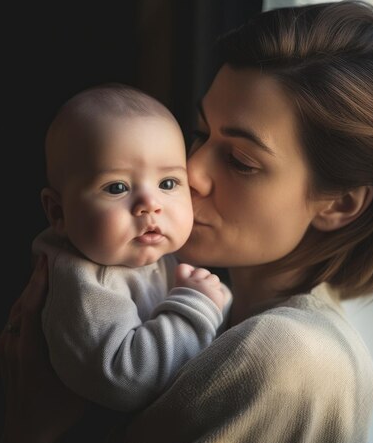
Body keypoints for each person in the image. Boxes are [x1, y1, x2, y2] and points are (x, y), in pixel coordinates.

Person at [0, 0, 373, 443]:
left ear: (339, 204)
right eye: (201, 134)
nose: (190, 172)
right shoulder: (204, 296)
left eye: (240, 160)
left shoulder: (289, 359)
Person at [31, 83, 229, 413]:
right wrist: (197, 303)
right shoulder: (85, 285)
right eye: (117, 187)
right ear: (59, 213)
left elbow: (215, 324)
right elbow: (127, 379)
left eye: (168, 183)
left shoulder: (151, 255)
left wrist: (214, 305)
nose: (150, 205)